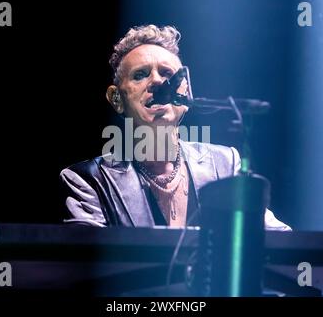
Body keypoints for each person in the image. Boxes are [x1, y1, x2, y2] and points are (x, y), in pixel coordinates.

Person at [59, 24, 291, 231]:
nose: (158, 82)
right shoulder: (88, 180)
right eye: (140, 75)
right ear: (117, 98)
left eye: (167, 74)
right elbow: (82, 264)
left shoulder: (225, 163)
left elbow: (278, 243)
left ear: (186, 92)